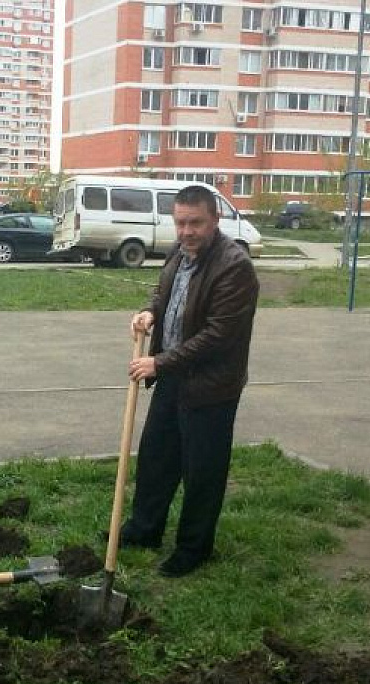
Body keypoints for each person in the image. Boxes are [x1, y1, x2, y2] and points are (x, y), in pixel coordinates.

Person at [118, 185, 259, 578]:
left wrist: (159, 363)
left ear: (215, 219)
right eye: (180, 223)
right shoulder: (180, 252)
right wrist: (150, 311)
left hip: (211, 387)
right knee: (157, 458)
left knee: (202, 471)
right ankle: (144, 529)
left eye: (195, 223)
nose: (186, 232)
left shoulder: (234, 267)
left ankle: (193, 548)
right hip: (172, 378)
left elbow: (218, 336)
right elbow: (164, 292)